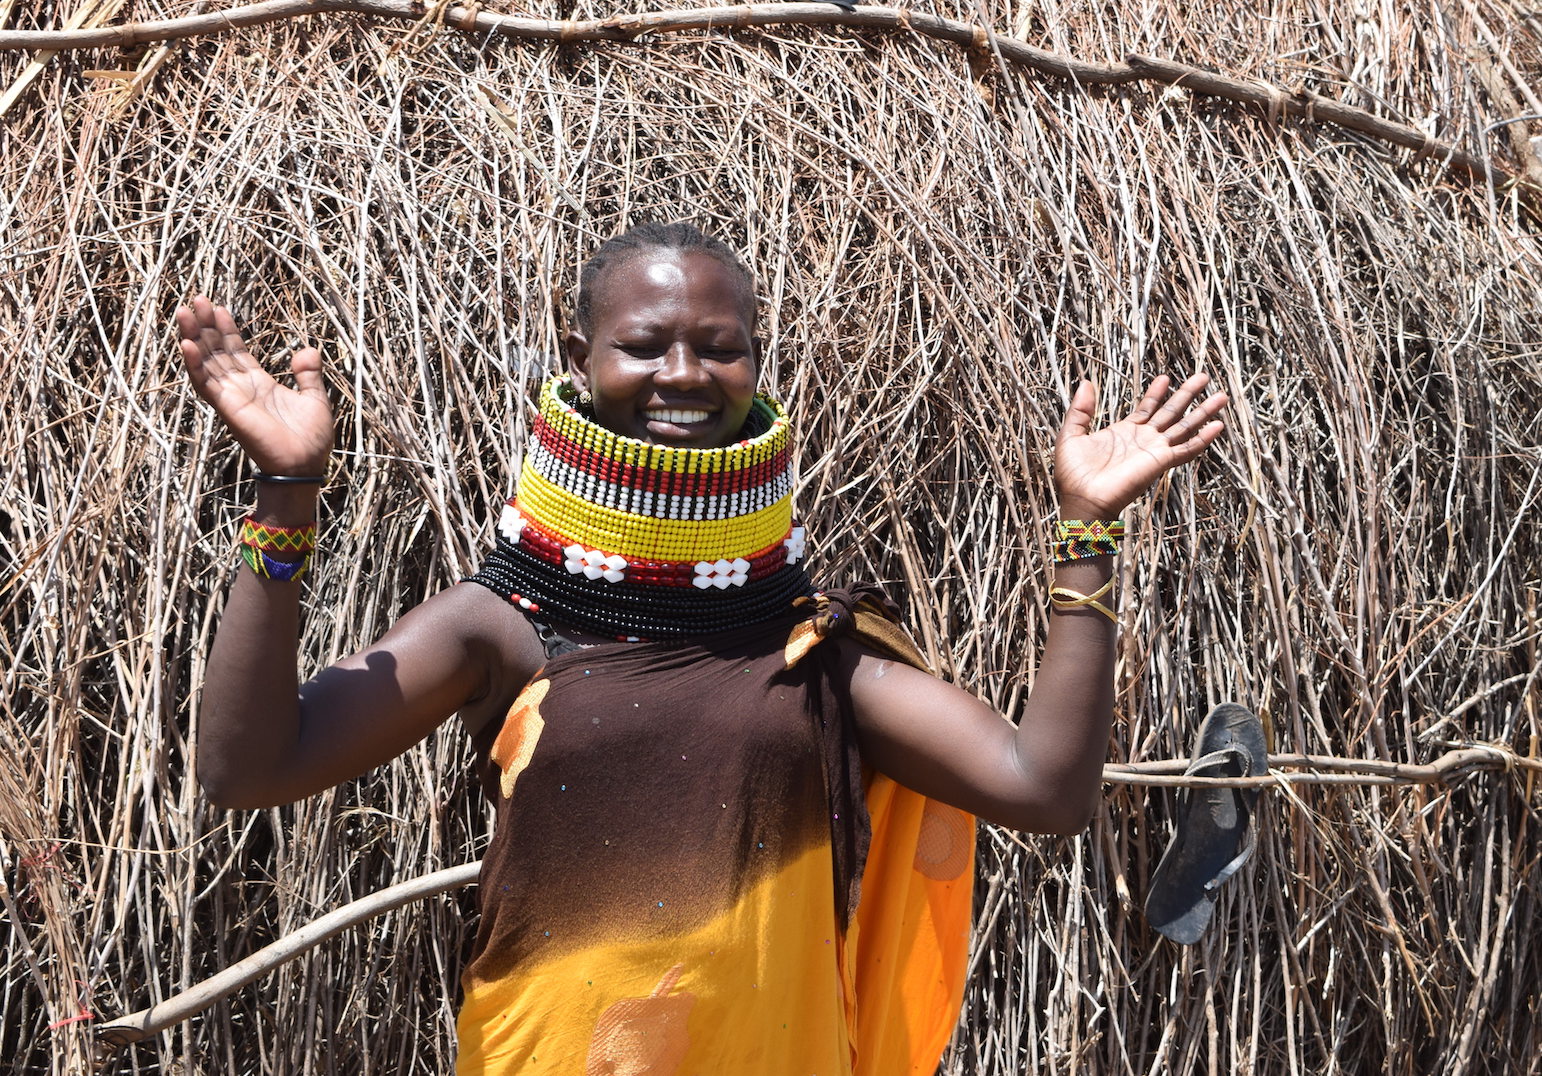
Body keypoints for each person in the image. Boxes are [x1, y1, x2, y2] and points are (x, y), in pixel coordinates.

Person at [177, 221, 1227, 1074]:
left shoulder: (814, 649)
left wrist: (1086, 529)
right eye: (642, 343)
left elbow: (1044, 786)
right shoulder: (503, 622)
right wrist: (288, 488)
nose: (683, 372)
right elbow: (247, 766)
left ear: (756, 361)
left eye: (720, 345)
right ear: (579, 357)